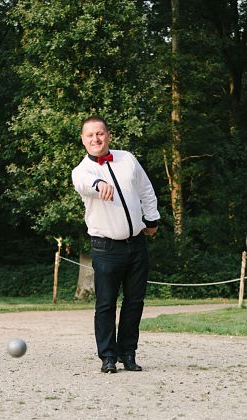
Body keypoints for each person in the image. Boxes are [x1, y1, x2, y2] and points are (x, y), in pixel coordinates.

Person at [72, 116, 160, 374]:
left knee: (135, 302)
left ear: (108, 135)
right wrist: (99, 184)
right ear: (83, 139)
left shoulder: (127, 159)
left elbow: (146, 189)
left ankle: (128, 353)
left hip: (137, 245)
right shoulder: (82, 171)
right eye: (90, 135)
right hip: (106, 248)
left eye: (100, 133)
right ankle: (108, 357)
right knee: (106, 304)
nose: (95, 139)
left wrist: (152, 218)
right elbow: (85, 184)